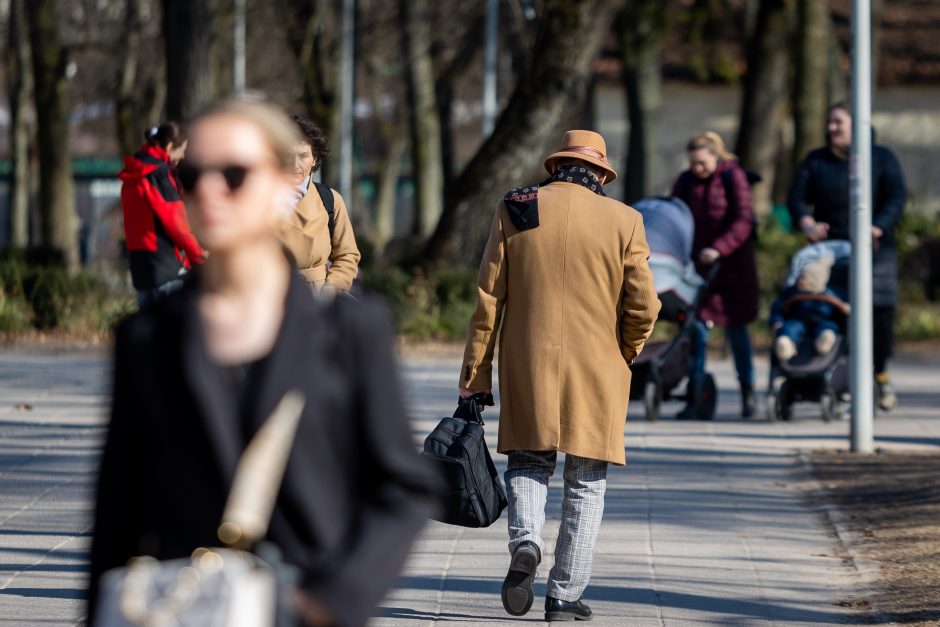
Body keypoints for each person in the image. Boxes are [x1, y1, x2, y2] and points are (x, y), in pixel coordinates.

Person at [88, 98, 437, 627]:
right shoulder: (146, 338)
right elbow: (117, 507)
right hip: (185, 609)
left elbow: (402, 488)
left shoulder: (350, 333)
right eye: (190, 174)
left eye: (233, 174)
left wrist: (333, 602)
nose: (208, 190)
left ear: (280, 186)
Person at [458, 130, 659, 622]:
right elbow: (644, 304)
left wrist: (476, 375)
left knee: (528, 460)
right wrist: (627, 351)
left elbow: (488, 300)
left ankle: (526, 543)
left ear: (556, 167)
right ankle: (564, 595)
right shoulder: (625, 219)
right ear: (600, 174)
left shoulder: (517, 207)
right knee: (586, 480)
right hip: (599, 366)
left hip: (530, 360)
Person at [788, 101, 907, 411]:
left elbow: (896, 196)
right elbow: (796, 198)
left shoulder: (880, 159)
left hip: (874, 250)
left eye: (838, 122)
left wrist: (878, 227)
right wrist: (807, 222)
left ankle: (879, 374)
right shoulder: (816, 161)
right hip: (830, 251)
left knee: (877, 317)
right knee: (828, 310)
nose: (832, 128)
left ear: (857, 126)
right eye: (830, 122)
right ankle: (837, 380)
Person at [672, 131, 759, 420]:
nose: (697, 168)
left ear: (715, 156)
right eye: (693, 163)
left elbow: (744, 219)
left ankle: (748, 391)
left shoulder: (733, 177)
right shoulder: (685, 181)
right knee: (695, 333)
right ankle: (695, 395)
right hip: (699, 270)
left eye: (702, 163)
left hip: (733, 267)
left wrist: (720, 249)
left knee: (737, 332)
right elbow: (676, 215)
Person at [118, 122, 207, 307]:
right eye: (181, 150)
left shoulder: (134, 173)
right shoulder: (159, 174)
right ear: (169, 146)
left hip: (141, 265)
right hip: (166, 265)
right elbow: (177, 223)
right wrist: (198, 255)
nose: (182, 156)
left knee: (150, 330)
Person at [271, 114, 361, 292]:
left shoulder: (330, 199)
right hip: (271, 295)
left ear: (315, 159)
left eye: (303, 156)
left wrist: (333, 290)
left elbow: (347, 255)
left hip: (319, 296)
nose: (295, 164)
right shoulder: (257, 200)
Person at [770, 258, 844, 361]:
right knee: (790, 327)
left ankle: (825, 340)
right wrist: (777, 321)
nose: (799, 280)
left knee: (829, 326)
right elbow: (778, 307)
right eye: (800, 277)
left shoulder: (830, 294)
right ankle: (786, 344)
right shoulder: (791, 292)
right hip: (798, 321)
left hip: (822, 321)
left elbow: (841, 309)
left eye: (804, 278)